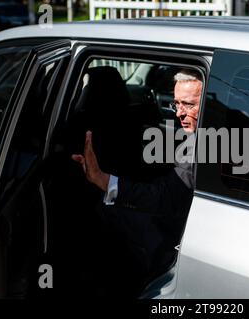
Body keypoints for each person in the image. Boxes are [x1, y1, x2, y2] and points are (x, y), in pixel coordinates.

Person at [71, 69, 203, 296]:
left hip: (179, 237)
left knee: (103, 210)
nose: (180, 114)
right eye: (176, 104)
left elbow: (164, 198)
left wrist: (103, 180)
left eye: (189, 105)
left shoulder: (203, 145)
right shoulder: (216, 132)